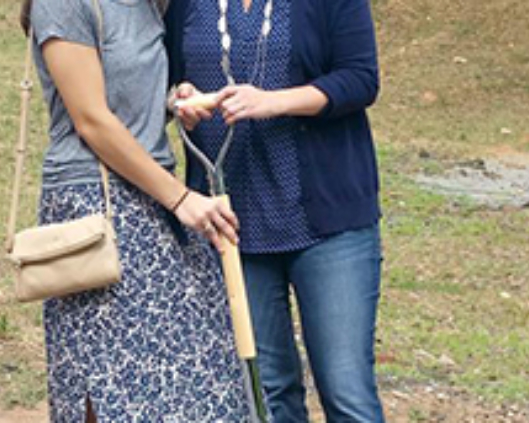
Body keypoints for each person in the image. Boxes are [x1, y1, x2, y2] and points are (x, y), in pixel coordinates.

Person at [20, 0, 251, 420]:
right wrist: (181, 198)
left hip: (152, 195)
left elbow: (125, 105)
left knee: (194, 375)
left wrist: (172, 104)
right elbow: (91, 120)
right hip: (93, 202)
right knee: (105, 383)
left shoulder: (145, 5)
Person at [165, 0, 384, 420]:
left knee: (346, 392)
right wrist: (181, 99)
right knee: (267, 393)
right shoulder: (186, 4)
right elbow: (167, 79)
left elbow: (361, 79)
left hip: (327, 223)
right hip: (233, 225)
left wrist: (272, 102)